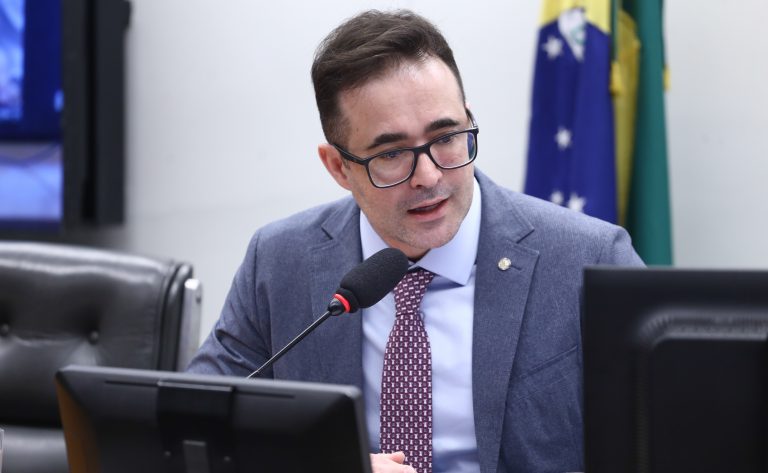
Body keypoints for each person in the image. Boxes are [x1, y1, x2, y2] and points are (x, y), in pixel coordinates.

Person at [188, 9, 643, 473]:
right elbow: (191, 430)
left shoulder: (590, 260)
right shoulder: (279, 261)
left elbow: (664, 440)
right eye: (391, 153)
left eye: (446, 137)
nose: (428, 176)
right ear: (339, 167)